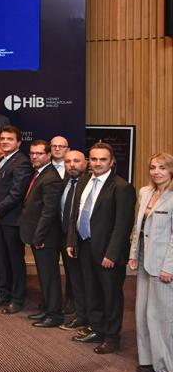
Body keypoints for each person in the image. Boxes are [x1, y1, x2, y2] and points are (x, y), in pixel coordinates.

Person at [66, 142, 136, 354]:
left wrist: (111, 254)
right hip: (85, 246)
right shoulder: (84, 180)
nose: (98, 163)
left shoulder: (122, 187)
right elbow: (75, 214)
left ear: (111, 161)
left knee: (110, 296)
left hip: (108, 252)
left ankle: (112, 337)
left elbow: (123, 225)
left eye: (103, 159)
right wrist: (71, 241)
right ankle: (97, 329)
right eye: (94, 159)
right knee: (92, 291)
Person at [129, 152, 173, 372]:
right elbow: (138, 227)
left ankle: (165, 366)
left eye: (162, 168)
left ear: (171, 170)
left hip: (163, 266)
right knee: (142, 314)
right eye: (153, 167)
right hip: (144, 261)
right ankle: (147, 359)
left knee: (162, 318)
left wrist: (169, 267)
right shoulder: (145, 192)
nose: (156, 172)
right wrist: (133, 254)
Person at [0, 125, 32, 313]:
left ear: (18, 143)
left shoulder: (22, 162)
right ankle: (4, 294)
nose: (4, 141)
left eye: (9, 139)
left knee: (15, 261)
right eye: (2, 138)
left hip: (12, 220)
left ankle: (17, 299)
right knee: (1, 259)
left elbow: (16, 193)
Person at [18, 139, 65, 327]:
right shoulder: (39, 173)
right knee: (44, 276)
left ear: (48, 155)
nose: (34, 157)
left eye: (39, 153)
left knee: (50, 276)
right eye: (32, 153)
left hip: (46, 237)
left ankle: (54, 315)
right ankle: (47, 308)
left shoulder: (51, 177)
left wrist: (39, 237)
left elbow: (49, 212)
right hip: (38, 234)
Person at [59, 150, 90, 331]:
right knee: (74, 278)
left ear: (85, 163)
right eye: (68, 161)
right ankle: (80, 313)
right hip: (66, 237)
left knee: (85, 279)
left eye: (76, 161)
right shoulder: (65, 182)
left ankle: (87, 316)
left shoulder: (89, 183)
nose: (72, 165)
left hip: (83, 239)